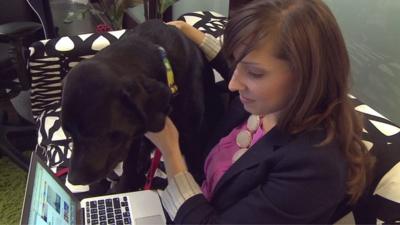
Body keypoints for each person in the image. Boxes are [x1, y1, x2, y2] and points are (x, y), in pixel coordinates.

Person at [145, 0, 375, 223]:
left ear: (307, 76)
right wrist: (191, 32)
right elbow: (239, 62)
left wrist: (171, 151)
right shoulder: (272, 102)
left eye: (254, 74)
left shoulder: (314, 167)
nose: (233, 84)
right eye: (235, 63)